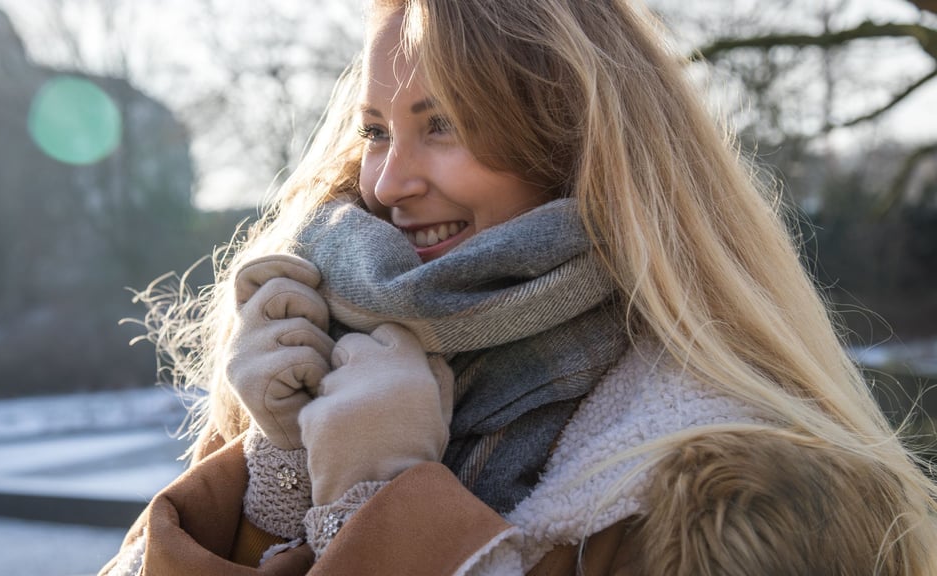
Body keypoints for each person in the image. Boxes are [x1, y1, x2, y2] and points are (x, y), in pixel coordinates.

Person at [102, 0, 937, 574]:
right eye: (374, 131)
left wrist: (383, 502)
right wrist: (276, 466)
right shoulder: (324, 362)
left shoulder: (738, 492)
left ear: (573, 137)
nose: (388, 182)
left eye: (444, 124)